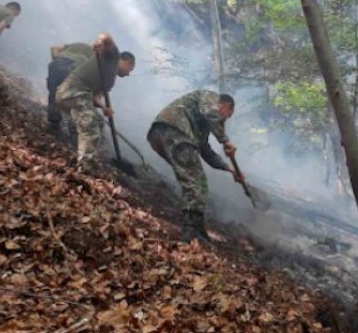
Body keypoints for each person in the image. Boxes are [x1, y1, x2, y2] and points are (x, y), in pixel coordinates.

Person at [147, 90, 244, 243]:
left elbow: (205, 150)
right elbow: (212, 113)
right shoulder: (211, 97)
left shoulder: (201, 124)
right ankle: (190, 230)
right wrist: (225, 141)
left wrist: (230, 169)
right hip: (176, 130)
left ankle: (197, 227)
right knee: (197, 182)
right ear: (226, 106)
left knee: (193, 178)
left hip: (160, 134)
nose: (226, 119)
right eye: (228, 114)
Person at [55, 33, 135, 172]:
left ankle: (84, 154)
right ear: (126, 61)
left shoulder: (110, 83)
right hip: (70, 91)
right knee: (90, 123)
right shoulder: (113, 57)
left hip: (79, 98)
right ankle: (84, 165)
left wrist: (104, 108)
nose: (129, 74)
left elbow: (95, 99)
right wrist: (100, 42)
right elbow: (106, 37)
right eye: (130, 69)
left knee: (98, 123)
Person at [46, 42, 97, 135]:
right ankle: (74, 133)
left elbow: (54, 47)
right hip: (73, 68)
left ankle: (54, 125)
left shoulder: (78, 45)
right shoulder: (98, 59)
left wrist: (57, 61)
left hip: (55, 65)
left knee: (54, 95)